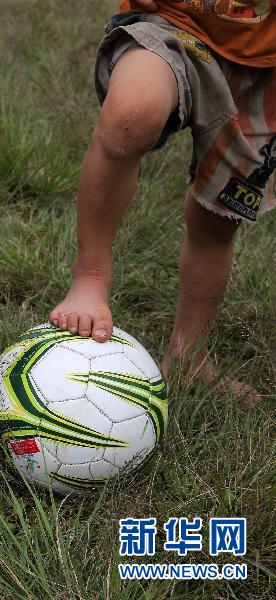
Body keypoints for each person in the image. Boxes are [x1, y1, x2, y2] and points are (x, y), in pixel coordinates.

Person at [49, 0, 274, 403]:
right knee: (131, 115)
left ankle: (189, 359)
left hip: (265, 62)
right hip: (173, 23)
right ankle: (91, 275)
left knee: (218, 218)